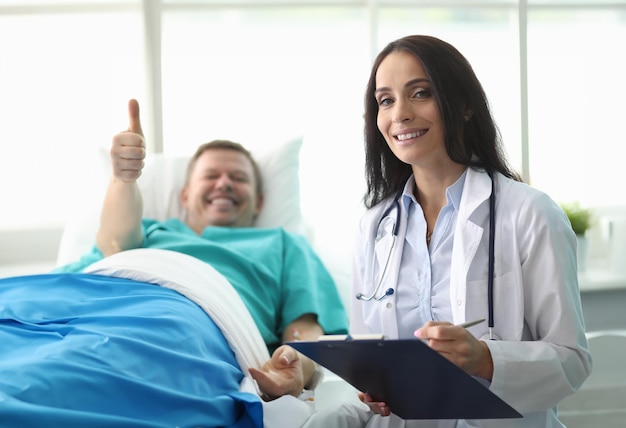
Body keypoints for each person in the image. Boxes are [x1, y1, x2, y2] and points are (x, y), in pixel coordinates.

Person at [338, 35, 591, 427]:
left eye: (420, 93)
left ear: (465, 105)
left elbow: (572, 360)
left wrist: (485, 360)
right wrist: (373, 387)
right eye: (385, 100)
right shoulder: (374, 226)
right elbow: (367, 349)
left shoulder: (528, 213)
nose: (400, 114)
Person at [55, 99, 348, 402]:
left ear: (259, 202)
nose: (224, 184)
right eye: (211, 176)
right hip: (96, 314)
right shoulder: (151, 232)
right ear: (184, 196)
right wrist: (123, 180)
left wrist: (297, 362)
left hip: (193, 334)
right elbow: (114, 244)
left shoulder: (284, 244)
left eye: (238, 178)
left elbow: (304, 329)